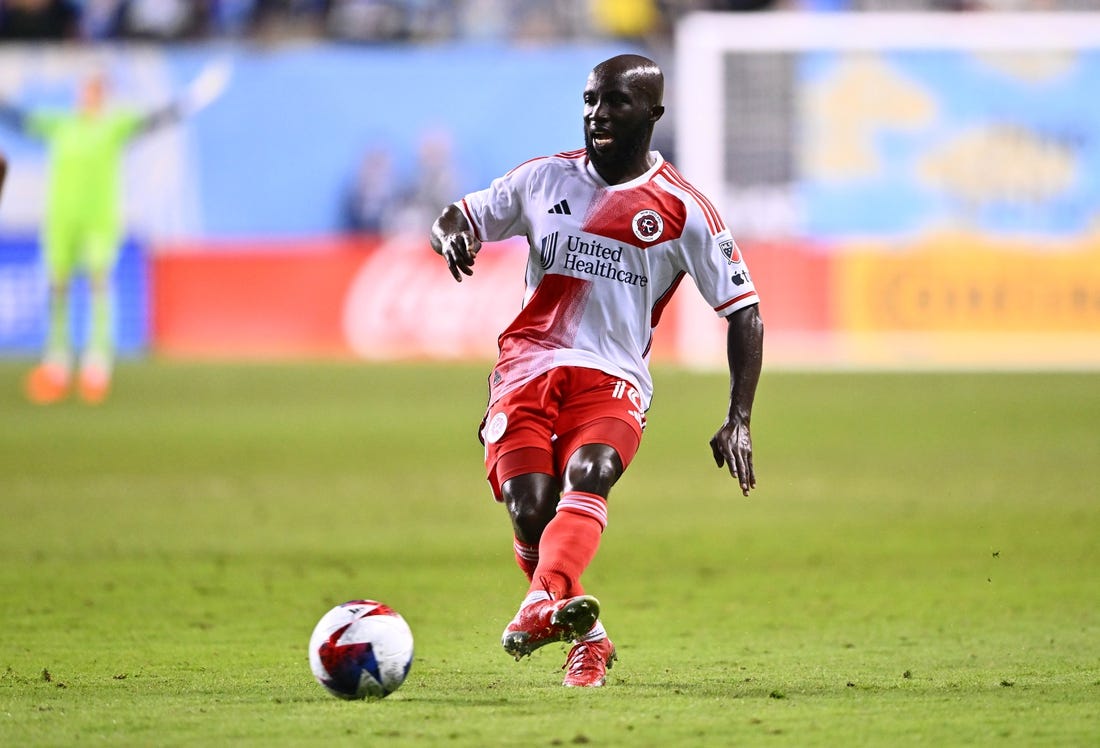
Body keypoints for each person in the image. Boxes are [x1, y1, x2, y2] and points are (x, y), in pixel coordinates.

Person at [429, 54, 764, 688]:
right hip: (526, 367)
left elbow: (745, 312)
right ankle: (589, 640)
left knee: (592, 470)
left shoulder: (683, 210)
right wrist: (451, 234)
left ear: (654, 114)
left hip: (613, 376)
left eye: (615, 102)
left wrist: (738, 415)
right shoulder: (543, 180)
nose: (597, 114)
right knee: (529, 508)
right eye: (590, 101)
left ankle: (539, 604)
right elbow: (459, 214)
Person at [0, 62, 229, 404]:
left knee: (98, 285)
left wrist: (197, 95)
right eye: (86, 89)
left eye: (96, 89)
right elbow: (19, 119)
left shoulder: (113, 125)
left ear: (104, 95)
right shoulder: (62, 125)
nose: (90, 95)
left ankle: (96, 365)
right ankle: (57, 365)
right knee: (57, 288)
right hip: (61, 219)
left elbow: (158, 120)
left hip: (99, 219)